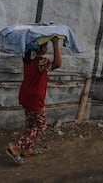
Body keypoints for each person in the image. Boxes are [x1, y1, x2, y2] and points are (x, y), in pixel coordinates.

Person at [6, 36, 62, 164]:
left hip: (25, 96)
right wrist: (56, 43)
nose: (47, 48)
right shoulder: (41, 62)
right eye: (46, 45)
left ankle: (26, 148)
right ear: (41, 48)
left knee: (31, 123)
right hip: (35, 98)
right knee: (41, 125)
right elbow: (58, 64)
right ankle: (16, 147)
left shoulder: (28, 61)